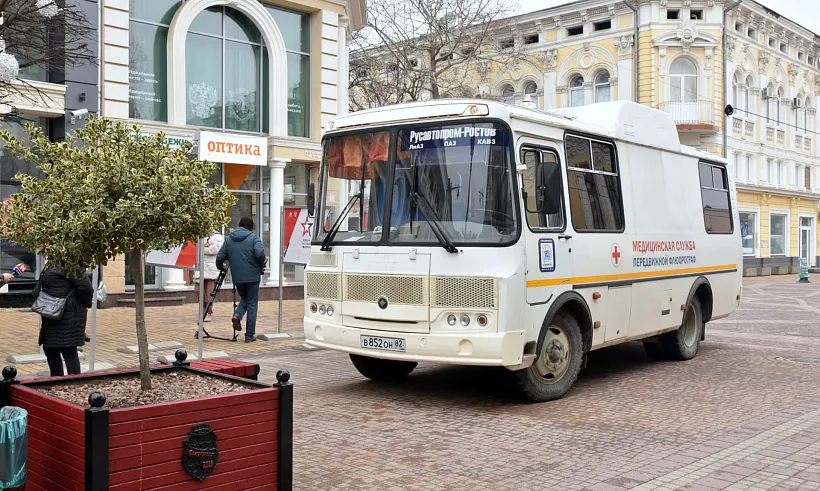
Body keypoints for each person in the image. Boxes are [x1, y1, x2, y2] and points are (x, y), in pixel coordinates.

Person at [36, 264, 94, 376]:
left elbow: (86, 288)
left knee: (68, 349)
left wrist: (84, 303)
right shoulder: (53, 262)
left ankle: (73, 382)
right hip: (52, 312)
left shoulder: (70, 263)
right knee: (50, 348)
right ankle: (57, 380)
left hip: (67, 313)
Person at [216, 217, 266, 343]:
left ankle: (237, 316)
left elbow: (220, 256)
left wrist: (220, 267)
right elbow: (260, 253)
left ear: (239, 225)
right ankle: (249, 335)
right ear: (251, 227)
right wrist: (262, 262)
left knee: (245, 298)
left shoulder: (229, 239)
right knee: (252, 303)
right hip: (253, 276)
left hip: (237, 277)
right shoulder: (254, 237)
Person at [195, 230, 224, 322]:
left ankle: (208, 311)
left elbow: (214, 250)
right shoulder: (200, 235)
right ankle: (203, 308)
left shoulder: (218, 237)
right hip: (200, 266)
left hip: (211, 267)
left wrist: (202, 248)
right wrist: (203, 246)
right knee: (197, 290)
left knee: (209, 292)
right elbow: (195, 248)